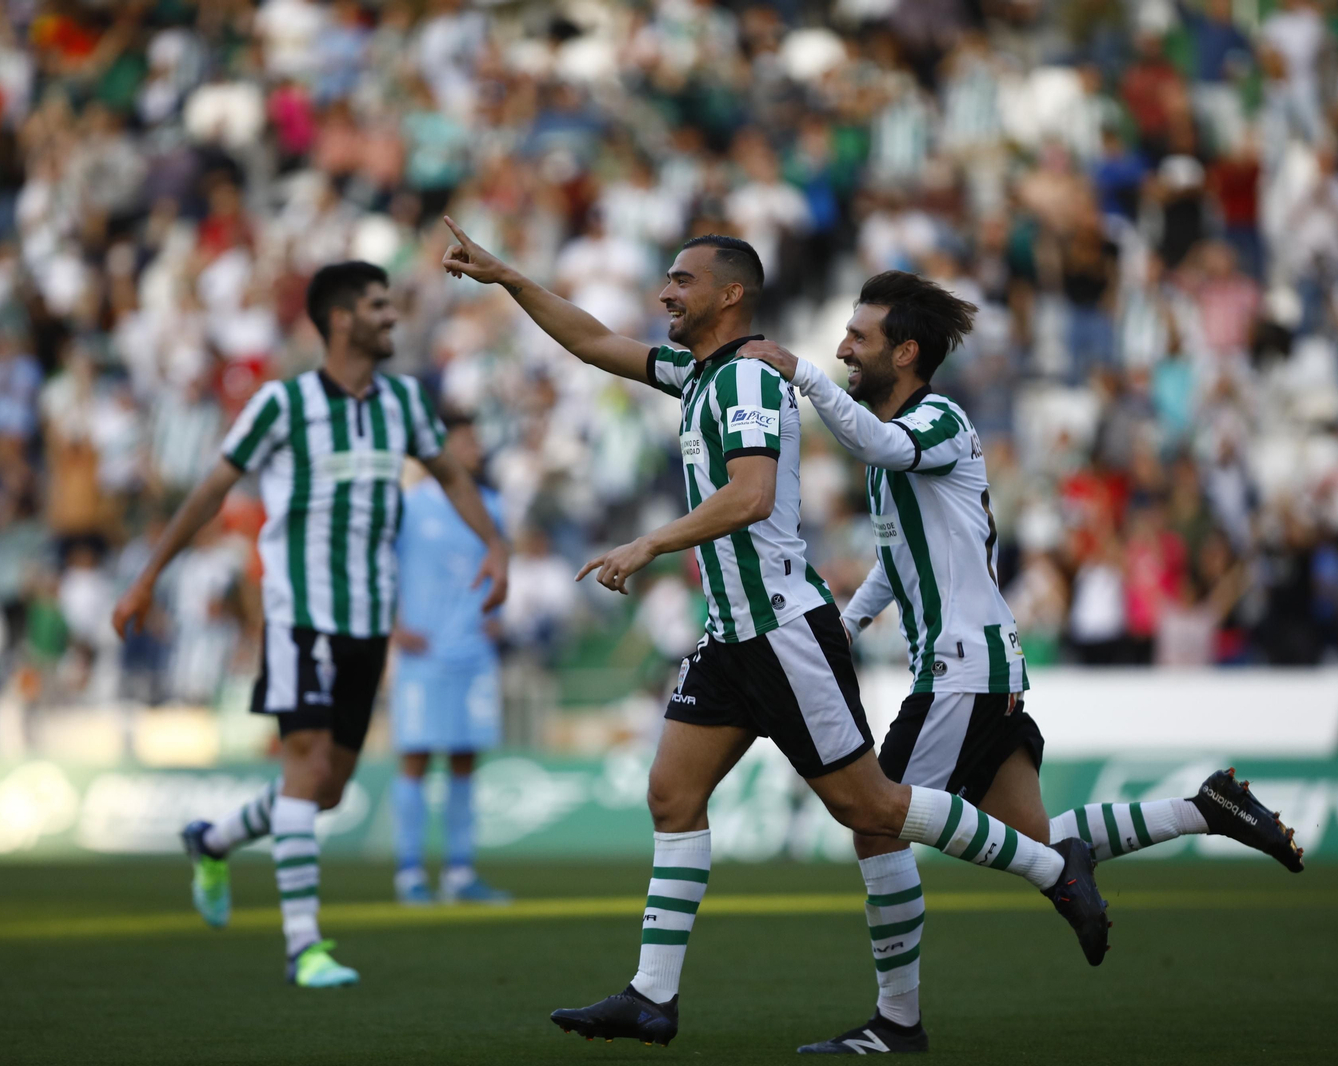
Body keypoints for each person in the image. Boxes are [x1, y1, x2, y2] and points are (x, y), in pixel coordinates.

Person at [440, 220, 1109, 1049]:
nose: (663, 293)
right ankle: (652, 997)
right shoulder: (695, 372)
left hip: (782, 632)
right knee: (671, 794)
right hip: (730, 636)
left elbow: (753, 495)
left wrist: (651, 540)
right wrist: (509, 275)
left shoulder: (751, 380)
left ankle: (1055, 871)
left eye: (681, 281)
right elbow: (592, 342)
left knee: (871, 809)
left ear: (729, 294)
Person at [738, 271, 1305, 1054]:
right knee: (1036, 831)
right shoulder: (902, 441)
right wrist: (851, 618)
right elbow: (900, 557)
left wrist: (798, 372)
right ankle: (1205, 809)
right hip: (982, 667)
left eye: (858, 338)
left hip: (962, 668)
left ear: (906, 353)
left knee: (875, 821)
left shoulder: (932, 420)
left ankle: (898, 1023)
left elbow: (872, 443)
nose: (842, 349)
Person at [110, 261, 509, 988]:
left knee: (325, 789)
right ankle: (304, 946)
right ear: (340, 319)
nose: (392, 317)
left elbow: (452, 476)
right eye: (379, 306)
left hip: (364, 623)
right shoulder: (281, 404)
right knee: (305, 768)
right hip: (299, 616)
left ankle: (213, 840)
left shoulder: (404, 405)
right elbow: (213, 488)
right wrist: (146, 578)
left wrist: (495, 544)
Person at [389, 409, 510, 905]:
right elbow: (381, 565)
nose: (476, 450)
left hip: (474, 652)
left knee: (465, 761)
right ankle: (410, 873)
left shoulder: (492, 506)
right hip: (423, 653)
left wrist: (500, 611)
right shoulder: (409, 506)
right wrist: (392, 625)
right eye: (466, 441)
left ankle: (460, 872)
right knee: (415, 760)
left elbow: (502, 560)